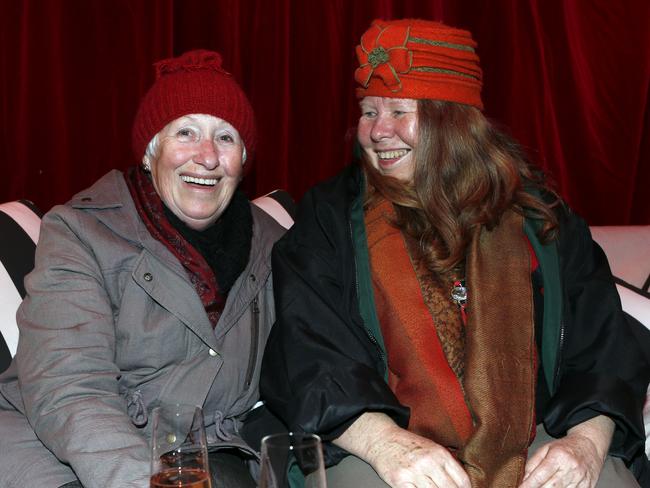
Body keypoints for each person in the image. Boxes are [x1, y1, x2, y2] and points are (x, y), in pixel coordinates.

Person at [261, 18, 650, 488]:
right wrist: (387, 445)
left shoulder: (539, 217)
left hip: (536, 436)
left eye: (400, 111)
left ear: (455, 119)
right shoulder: (329, 220)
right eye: (367, 112)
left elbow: (605, 343)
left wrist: (585, 444)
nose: (378, 131)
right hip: (380, 437)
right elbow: (308, 351)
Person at [0, 49, 287, 488]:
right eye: (186, 132)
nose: (207, 156)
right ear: (151, 152)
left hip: (201, 452)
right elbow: (70, 389)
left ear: (243, 160)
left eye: (226, 137)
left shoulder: (273, 244)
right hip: (62, 449)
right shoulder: (82, 232)